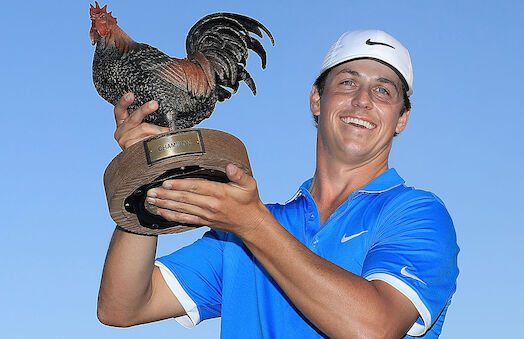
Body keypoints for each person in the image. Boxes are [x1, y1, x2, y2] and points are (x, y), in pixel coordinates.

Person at [98, 30, 459, 338]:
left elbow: (373, 328)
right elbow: (123, 306)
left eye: (383, 91)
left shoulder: (417, 214)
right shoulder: (241, 229)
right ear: (317, 99)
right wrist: (145, 176)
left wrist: (252, 224)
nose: (362, 100)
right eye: (347, 82)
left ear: (402, 119)